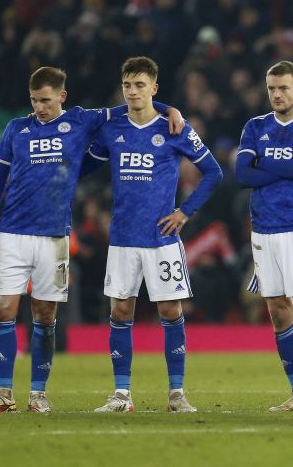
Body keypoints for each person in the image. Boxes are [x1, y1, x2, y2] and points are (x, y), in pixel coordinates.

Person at [0, 66, 182, 413]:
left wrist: (168, 109)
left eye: (45, 100)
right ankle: (3, 392)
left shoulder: (81, 121)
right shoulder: (17, 128)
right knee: (2, 309)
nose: (40, 107)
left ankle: (38, 394)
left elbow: (131, 105)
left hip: (54, 236)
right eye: (34, 100)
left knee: (44, 314)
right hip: (11, 232)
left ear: (61, 96)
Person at [84, 56, 222, 413]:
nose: (132, 91)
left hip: (161, 239)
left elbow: (214, 172)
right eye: (128, 85)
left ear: (154, 88)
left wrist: (185, 212)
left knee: (171, 309)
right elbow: (86, 167)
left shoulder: (173, 128)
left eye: (140, 85)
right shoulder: (112, 128)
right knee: (120, 310)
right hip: (123, 238)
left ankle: (177, 394)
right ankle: (121, 395)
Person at [234, 61, 293, 412]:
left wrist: (263, 164)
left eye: (284, 88)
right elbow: (241, 175)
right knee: (277, 310)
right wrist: (281, 169)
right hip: (263, 229)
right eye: (272, 89)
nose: (277, 94)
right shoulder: (255, 126)